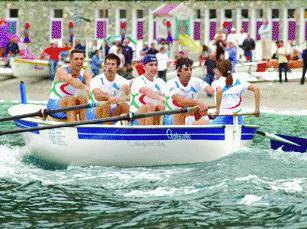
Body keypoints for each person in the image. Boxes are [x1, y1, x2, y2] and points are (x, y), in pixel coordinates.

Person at [47, 49, 92, 122]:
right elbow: (71, 80)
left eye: (81, 59)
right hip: (54, 106)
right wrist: (84, 87)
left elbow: (90, 88)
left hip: (70, 105)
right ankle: (73, 124)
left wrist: (89, 94)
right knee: (70, 99)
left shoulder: (85, 74)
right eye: (76, 59)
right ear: (71, 60)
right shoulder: (61, 70)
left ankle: (84, 123)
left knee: (83, 98)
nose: (79, 61)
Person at [210, 59, 260, 125]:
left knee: (204, 122)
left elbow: (219, 91)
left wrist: (217, 110)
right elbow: (256, 89)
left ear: (219, 71)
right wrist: (257, 109)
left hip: (222, 117)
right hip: (238, 118)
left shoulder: (215, 83)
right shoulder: (240, 80)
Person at [165, 57, 212, 125]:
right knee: (182, 111)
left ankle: (197, 128)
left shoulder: (195, 81)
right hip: (172, 117)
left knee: (202, 111)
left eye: (191, 69)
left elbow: (212, 90)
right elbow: (181, 101)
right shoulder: (171, 83)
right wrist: (197, 102)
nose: (189, 72)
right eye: (186, 69)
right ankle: (192, 128)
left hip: (189, 114)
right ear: (178, 70)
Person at [87, 53, 130, 123]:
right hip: (94, 111)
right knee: (106, 104)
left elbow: (126, 91)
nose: (109, 67)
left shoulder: (122, 80)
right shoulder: (96, 79)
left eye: (113, 64)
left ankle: (124, 129)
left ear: (118, 67)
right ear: (104, 66)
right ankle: (108, 127)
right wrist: (109, 97)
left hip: (111, 111)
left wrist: (124, 93)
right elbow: (97, 95)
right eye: (107, 64)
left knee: (125, 105)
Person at [129, 54, 168, 125]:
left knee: (161, 106)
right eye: (151, 65)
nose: (154, 67)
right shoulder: (138, 80)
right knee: (151, 105)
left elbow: (169, 96)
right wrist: (161, 98)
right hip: (135, 117)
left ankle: (158, 130)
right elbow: (147, 91)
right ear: (144, 67)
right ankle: (149, 131)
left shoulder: (160, 81)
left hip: (153, 114)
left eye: (156, 65)